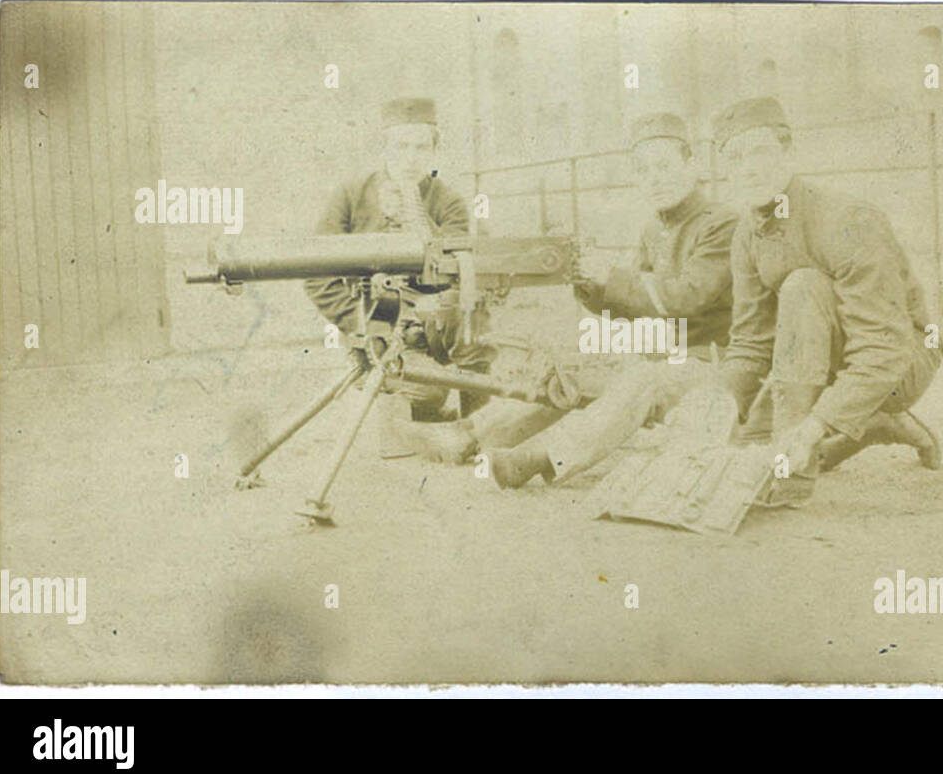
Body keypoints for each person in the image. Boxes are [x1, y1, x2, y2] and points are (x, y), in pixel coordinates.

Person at [398, 112, 739, 488]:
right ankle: (468, 434)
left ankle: (543, 457)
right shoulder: (654, 227)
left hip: (710, 362)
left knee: (644, 377)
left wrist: (611, 277)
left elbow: (686, 297)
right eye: (643, 170)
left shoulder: (720, 223)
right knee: (565, 371)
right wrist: (587, 284)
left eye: (664, 165)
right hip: (658, 354)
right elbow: (631, 306)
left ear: (691, 164)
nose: (654, 178)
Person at [712, 97, 942, 501]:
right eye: (734, 157)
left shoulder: (846, 219)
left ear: (789, 151)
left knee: (803, 286)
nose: (748, 167)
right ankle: (875, 425)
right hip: (824, 364)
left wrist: (810, 427)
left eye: (761, 151)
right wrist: (713, 405)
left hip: (902, 359)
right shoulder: (746, 234)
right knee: (728, 446)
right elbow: (749, 342)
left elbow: (882, 350)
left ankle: (796, 474)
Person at [305, 97, 494, 425]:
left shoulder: (447, 201)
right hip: (376, 324)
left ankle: (480, 428)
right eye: (401, 146)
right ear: (384, 147)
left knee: (474, 324)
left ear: (434, 150)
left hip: (432, 325)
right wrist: (361, 322)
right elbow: (316, 274)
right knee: (430, 393)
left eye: (421, 147)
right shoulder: (351, 195)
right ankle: (404, 404)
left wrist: (416, 214)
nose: (411, 158)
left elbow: (457, 268)